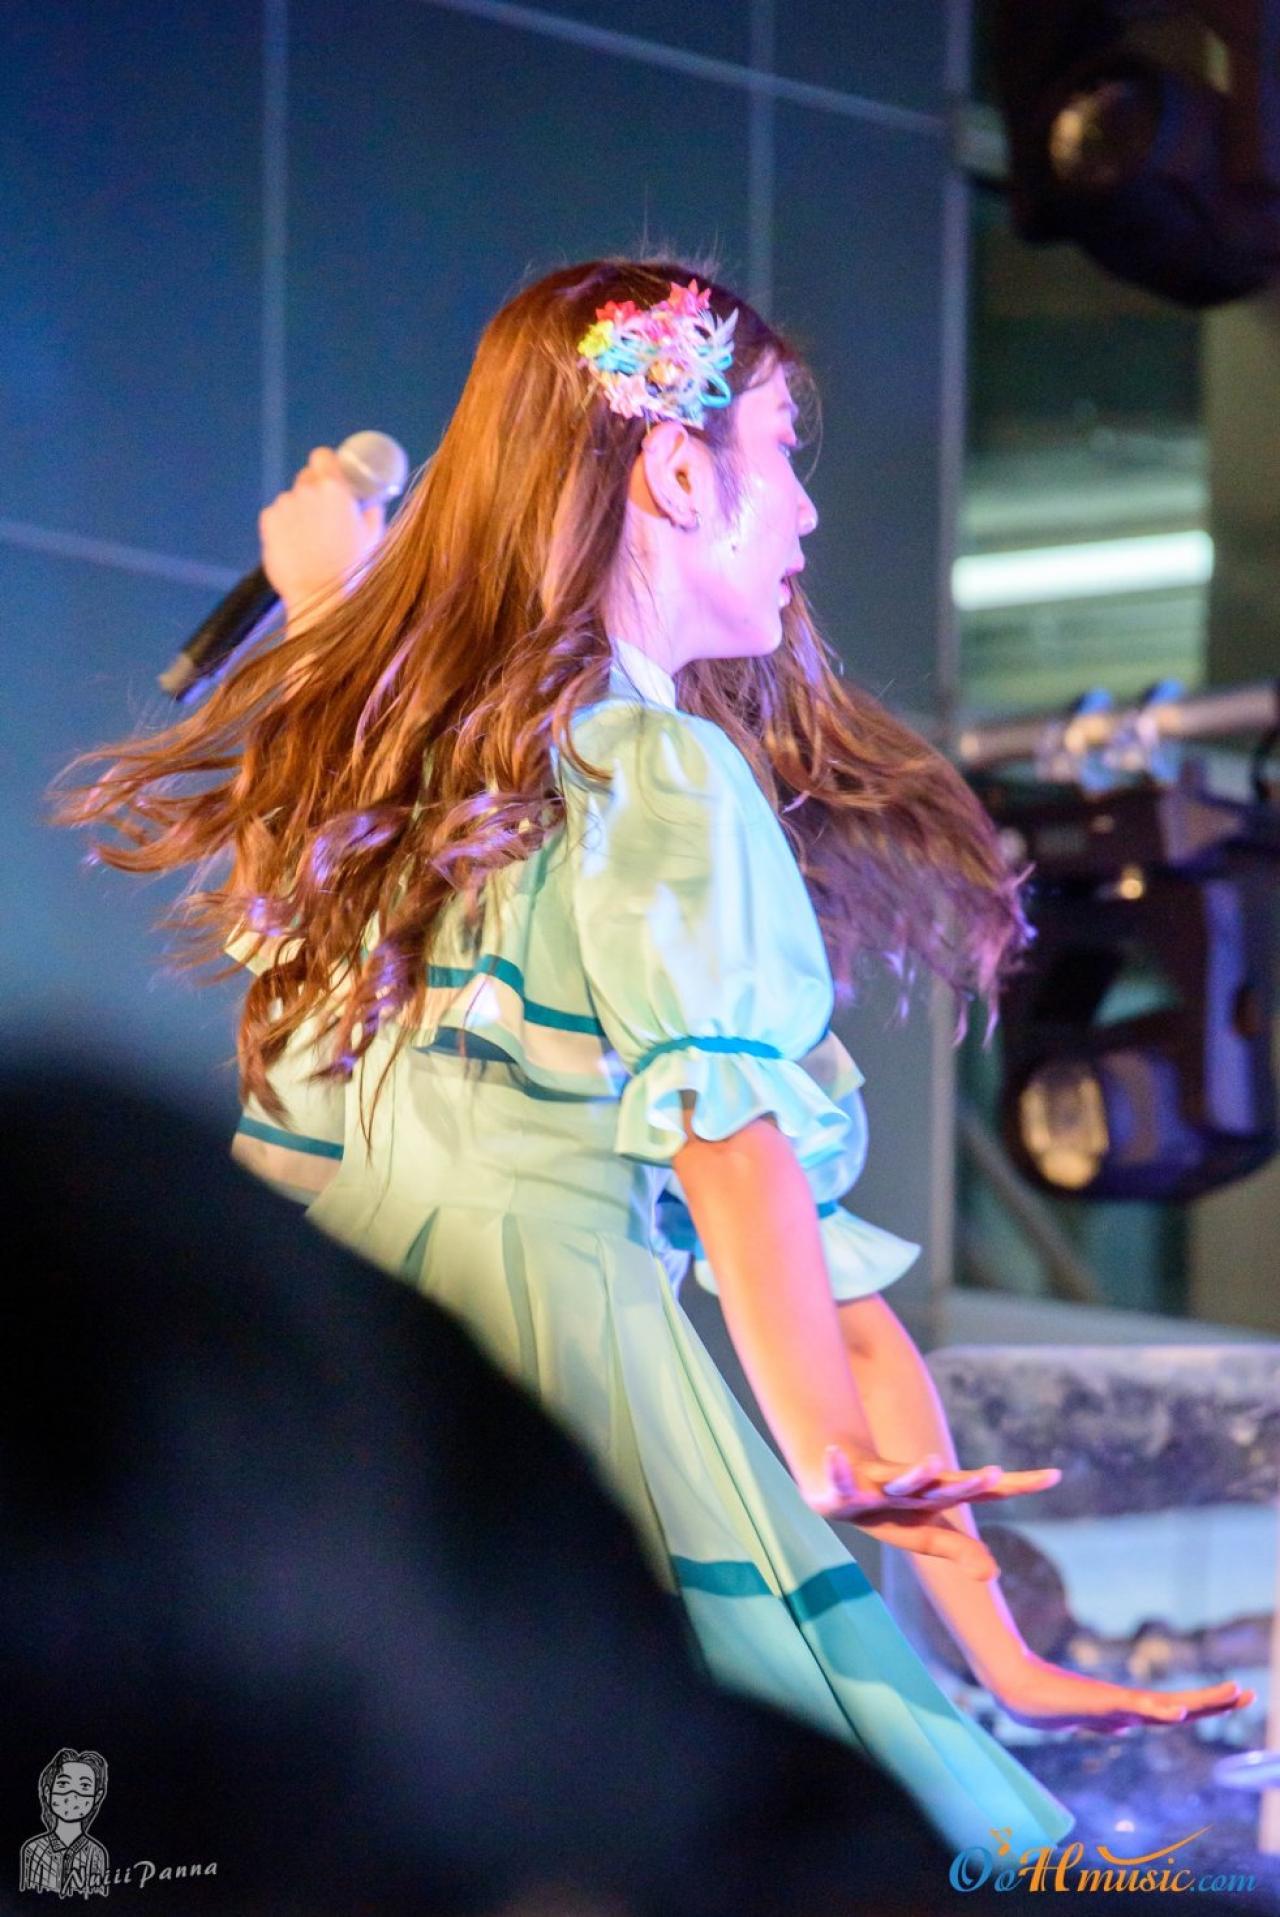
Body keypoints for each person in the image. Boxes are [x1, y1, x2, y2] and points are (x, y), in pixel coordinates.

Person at [50, 257, 1251, 1863]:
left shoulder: (377, 804)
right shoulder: (657, 773)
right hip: (573, 1391)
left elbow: (813, 1271)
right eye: (783, 451)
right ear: (680, 473)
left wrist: (994, 1645)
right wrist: (824, 1452)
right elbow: (740, 1158)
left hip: (370, 1413)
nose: (806, 512)